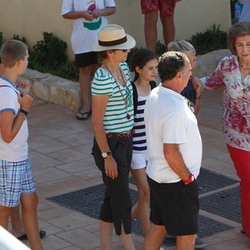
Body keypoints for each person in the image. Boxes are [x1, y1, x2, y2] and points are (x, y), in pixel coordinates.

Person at [200, 21, 250, 250]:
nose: (245, 49)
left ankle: (249, 223)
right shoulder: (226, 65)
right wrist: (191, 82)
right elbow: (212, 82)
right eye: (239, 45)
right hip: (236, 134)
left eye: (248, 44)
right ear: (233, 47)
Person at [0, 45, 46, 241]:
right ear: (19, 62)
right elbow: (7, 134)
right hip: (7, 160)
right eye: (27, 59)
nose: (27, 62)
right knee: (3, 211)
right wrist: (24, 110)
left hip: (19, 156)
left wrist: (21, 96)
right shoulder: (5, 92)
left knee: (31, 201)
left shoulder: (8, 87)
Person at [142, 51, 202, 250]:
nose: (190, 75)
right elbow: (171, 153)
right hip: (176, 181)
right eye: (189, 71)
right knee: (187, 236)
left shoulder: (155, 93)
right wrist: (188, 178)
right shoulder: (174, 108)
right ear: (178, 75)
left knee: (158, 227)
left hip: (158, 176)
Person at [91, 24, 136, 250]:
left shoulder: (124, 69)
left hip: (126, 142)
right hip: (110, 145)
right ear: (110, 52)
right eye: (123, 49)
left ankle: (105, 247)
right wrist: (107, 155)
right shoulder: (101, 78)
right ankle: (128, 245)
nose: (127, 51)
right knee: (123, 200)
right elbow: (97, 122)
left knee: (113, 197)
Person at [61, 0, 116, 120]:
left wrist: (100, 12)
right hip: (82, 40)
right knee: (85, 70)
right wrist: (82, 14)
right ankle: (86, 106)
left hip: (101, 38)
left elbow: (112, 8)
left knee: (101, 71)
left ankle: (103, 106)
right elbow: (65, 13)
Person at [129, 48, 158, 235]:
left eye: (156, 67)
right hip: (136, 151)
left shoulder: (155, 88)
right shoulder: (131, 91)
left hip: (153, 149)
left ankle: (124, 221)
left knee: (148, 194)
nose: (154, 72)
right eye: (150, 68)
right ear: (138, 69)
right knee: (145, 192)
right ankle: (150, 240)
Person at [167, 40, 203, 114]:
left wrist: (198, 94)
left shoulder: (191, 83)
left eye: (194, 60)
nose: (192, 66)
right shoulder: (170, 87)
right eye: (188, 62)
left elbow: (194, 113)